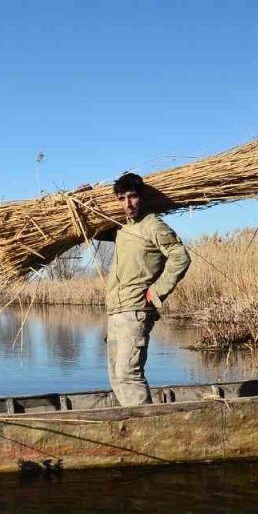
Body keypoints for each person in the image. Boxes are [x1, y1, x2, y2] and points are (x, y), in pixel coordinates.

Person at [95, 172, 191, 405]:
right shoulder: (120, 228)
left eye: (132, 197)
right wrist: (86, 197)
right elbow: (90, 228)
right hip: (116, 312)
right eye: (121, 199)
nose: (127, 204)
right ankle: (132, 424)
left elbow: (181, 257)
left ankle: (146, 428)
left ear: (142, 197)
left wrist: (157, 292)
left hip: (135, 311)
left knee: (129, 375)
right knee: (117, 377)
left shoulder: (153, 225)